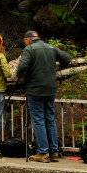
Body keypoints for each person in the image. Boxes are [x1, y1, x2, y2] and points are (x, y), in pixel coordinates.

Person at [17, 30, 72, 163]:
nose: (25, 44)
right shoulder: (50, 47)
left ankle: (43, 152)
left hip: (35, 89)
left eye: (25, 41)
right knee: (50, 119)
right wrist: (58, 70)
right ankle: (54, 151)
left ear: (28, 40)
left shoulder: (29, 49)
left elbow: (22, 66)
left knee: (38, 120)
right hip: (50, 89)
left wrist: (22, 76)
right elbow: (67, 58)